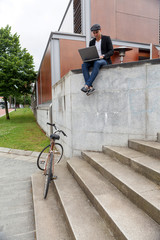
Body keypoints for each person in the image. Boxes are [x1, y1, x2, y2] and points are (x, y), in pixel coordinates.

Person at [81, 24, 114, 95]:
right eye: (94, 33)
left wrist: (104, 55)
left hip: (104, 60)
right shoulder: (92, 42)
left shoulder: (107, 39)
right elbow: (90, 52)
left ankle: (87, 85)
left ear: (100, 30)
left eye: (97, 32)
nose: (95, 34)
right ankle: (90, 87)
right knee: (84, 65)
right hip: (94, 59)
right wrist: (88, 58)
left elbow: (111, 51)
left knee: (97, 63)